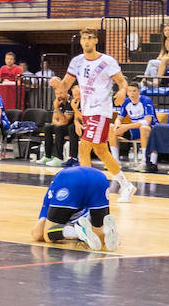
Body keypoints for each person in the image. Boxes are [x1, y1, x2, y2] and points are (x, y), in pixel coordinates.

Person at [56, 28, 135, 202]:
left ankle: (87, 188)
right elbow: (65, 85)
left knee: (84, 148)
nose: (86, 41)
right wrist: (57, 85)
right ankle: (126, 184)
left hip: (100, 111)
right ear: (81, 41)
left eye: (90, 38)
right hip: (87, 111)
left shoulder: (107, 61)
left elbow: (122, 81)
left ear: (96, 41)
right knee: (101, 150)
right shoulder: (77, 62)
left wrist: (122, 91)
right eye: (84, 38)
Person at [31, 165, 120, 251]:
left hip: (70, 180)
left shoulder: (54, 193)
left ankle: (77, 232)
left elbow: (38, 233)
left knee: (47, 235)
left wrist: (69, 233)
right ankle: (108, 231)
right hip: (99, 178)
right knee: (98, 238)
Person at [112, 83, 155, 165]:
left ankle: (144, 161)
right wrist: (117, 125)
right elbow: (119, 118)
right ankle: (115, 161)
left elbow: (147, 122)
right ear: (127, 93)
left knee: (143, 128)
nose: (132, 93)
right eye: (130, 91)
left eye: (134, 91)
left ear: (139, 92)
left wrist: (126, 126)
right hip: (135, 129)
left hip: (151, 129)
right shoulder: (126, 101)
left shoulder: (146, 100)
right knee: (112, 128)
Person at [41, 87, 78, 165]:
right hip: (62, 125)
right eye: (57, 93)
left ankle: (59, 158)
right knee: (48, 128)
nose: (58, 96)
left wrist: (57, 108)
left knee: (59, 129)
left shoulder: (70, 102)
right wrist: (58, 122)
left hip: (71, 126)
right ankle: (48, 156)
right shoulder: (58, 101)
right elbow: (54, 120)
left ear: (66, 92)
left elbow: (65, 121)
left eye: (60, 93)